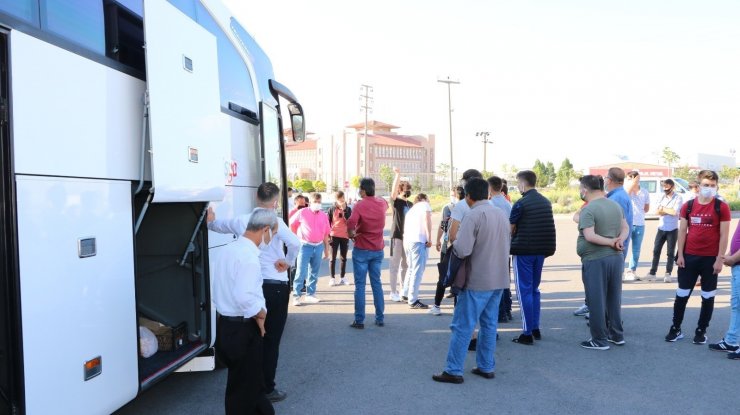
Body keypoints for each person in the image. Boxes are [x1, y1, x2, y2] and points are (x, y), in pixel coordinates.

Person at [207, 183, 300, 404]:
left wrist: (210, 217)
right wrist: (288, 262)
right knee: (271, 339)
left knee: (254, 341)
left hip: (255, 287)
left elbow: (216, 226)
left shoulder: (242, 221)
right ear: (276, 202)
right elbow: (295, 243)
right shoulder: (275, 222)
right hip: (274, 285)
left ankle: (253, 387)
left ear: (255, 197)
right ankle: (266, 387)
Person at [432, 178, 511, 383]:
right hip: (499, 278)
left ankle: (453, 370)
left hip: (477, 279)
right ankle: (486, 366)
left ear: (468, 196)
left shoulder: (473, 215)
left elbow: (462, 249)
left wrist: (454, 242)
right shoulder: (501, 214)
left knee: (462, 325)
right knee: (489, 325)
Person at [211, 208, 277, 415]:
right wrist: (261, 314)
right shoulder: (248, 258)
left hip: (226, 326)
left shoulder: (228, 250)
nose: (271, 239)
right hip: (242, 329)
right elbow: (244, 296)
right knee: (242, 391)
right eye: (272, 234)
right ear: (265, 229)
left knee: (248, 384)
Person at [665, 170, 731, 344]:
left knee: (707, 297)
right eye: (705, 185)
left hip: (710, 259)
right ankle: (675, 328)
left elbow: (724, 235)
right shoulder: (688, 206)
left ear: (716, 186)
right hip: (689, 257)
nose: (709, 188)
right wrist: (680, 254)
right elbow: (682, 231)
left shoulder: (721, 207)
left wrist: (719, 259)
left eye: (712, 185)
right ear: (699, 186)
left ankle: (701, 331)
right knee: (682, 294)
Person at [576, 176, 630, 350]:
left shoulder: (589, 209)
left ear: (585, 189)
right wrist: (619, 240)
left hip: (596, 259)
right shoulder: (615, 205)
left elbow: (590, 236)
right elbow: (626, 227)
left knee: (596, 300)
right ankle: (616, 334)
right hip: (616, 258)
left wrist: (611, 241)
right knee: (613, 298)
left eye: (580, 189)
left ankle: (599, 339)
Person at [510, 170, 556, 345]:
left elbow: (510, 228)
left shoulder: (521, 203)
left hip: (523, 252)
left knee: (523, 292)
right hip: (541, 251)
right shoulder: (546, 202)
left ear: (522, 184)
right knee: (534, 290)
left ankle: (526, 332)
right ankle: (535, 327)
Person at [347, 178, 389, 328]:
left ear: (363, 191)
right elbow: (388, 204)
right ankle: (380, 318)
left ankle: (359, 320)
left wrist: (351, 234)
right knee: (376, 284)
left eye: (359, 189)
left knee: (360, 285)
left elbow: (351, 222)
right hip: (377, 249)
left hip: (362, 249)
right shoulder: (382, 202)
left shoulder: (359, 205)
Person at [289, 193, 331, 306]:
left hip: (318, 246)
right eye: (315, 202)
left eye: (319, 202)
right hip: (304, 245)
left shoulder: (323, 215)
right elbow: (292, 224)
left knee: (314, 272)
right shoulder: (302, 212)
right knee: (301, 271)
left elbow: (326, 233)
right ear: (310, 202)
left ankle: (310, 294)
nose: (317, 204)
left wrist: (327, 249)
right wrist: (295, 239)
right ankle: (296, 296)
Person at [431, 186, 464, 316]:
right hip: (463, 247)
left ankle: (437, 305)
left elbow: (443, 226)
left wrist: (438, 240)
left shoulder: (450, 208)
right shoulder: (470, 208)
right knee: (460, 278)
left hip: (449, 246)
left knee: (444, 275)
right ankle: (457, 309)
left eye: (452, 194)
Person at [709, 221, 740, 357]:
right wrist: (729, 255)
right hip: (737, 266)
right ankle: (731, 341)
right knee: (736, 305)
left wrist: (733, 258)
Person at [647, 179, 683, 283]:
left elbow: (674, 211)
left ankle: (668, 273)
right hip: (661, 228)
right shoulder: (661, 196)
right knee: (656, 251)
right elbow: (657, 211)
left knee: (670, 253)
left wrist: (664, 209)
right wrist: (667, 210)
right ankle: (652, 273)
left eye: (667, 188)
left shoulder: (678, 197)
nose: (665, 189)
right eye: (664, 187)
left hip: (672, 229)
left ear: (673, 187)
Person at [488, 176, 513, 323]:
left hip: (494, 247)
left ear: (490, 188)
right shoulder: (508, 204)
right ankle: (507, 309)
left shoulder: (490, 205)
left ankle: (500, 312)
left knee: (496, 281)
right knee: (505, 279)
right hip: (506, 245)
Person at [402, 193, 432, 309]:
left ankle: (405, 293)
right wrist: (429, 239)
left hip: (408, 241)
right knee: (417, 270)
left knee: (411, 268)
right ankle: (413, 299)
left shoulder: (412, 210)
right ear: (424, 199)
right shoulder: (425, 205)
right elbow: (427, 220)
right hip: (418, 241)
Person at [603, 168, 633, 281]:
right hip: (616, 249)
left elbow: (615, 226)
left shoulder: (616, 198)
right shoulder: (619, 195)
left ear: (609, 180)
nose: (604, 181)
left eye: (605, 178)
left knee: (610, 289)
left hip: (614, 250)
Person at [389, 167, 413, 302]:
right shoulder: (396, 202)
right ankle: (393, 291)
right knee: (394, 265)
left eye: (408, 189)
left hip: (408, 238)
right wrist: (398, 175)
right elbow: (392, 193)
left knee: (406, 265)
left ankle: (404, 290)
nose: (407, 192)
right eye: (404, 189)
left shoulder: (410, 204)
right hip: (396, 236)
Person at [624, 171, 650, 281]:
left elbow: (647, 208)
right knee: (623, 248)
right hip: (627, 223)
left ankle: (631, 270)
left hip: (640, 224)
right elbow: (626, 195)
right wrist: (631, 184)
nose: (629, 181)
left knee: (636, 250)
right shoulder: (626, 191)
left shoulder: (644, 192)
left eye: (631, 179)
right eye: (628, 179)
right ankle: (620, 271)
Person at [327, 191, 352, 286]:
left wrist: (344, 210)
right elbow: (328, 222)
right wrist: (328, 235)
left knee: (343, 257)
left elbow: (350, 221)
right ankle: (332, 278)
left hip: (345, 235)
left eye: (342, 198)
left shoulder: (348, 209)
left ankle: (342, 277)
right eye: (339, 198)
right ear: (336, 199)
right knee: (332, 258)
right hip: (334, 235)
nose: (341, 200)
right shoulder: (332, 209)